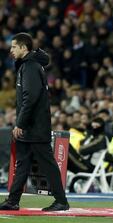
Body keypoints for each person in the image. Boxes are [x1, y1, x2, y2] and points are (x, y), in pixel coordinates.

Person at [0, 33, 69, 211]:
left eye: (14, 46)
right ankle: (13, 200)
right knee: (22, 163)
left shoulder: (30, 66)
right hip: (31, 125)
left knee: (47, 163)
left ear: (24, 48)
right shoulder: (29, 65)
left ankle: (61, 201)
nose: (11, 50)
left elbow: (30, 98)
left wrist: (20, 123)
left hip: (34, 126)